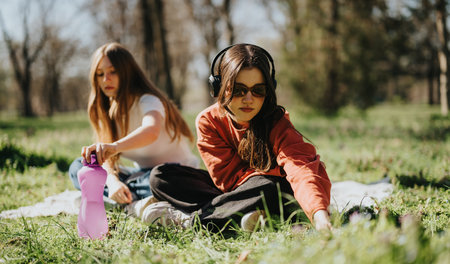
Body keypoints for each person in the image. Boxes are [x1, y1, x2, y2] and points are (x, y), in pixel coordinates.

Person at [149, 43, 332, 231]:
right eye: (238, 90)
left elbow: (301, 168)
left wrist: (320, 216)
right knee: (161, 177)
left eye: (258, 90)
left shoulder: (277, 122)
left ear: (269, 91)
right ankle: (247, 213)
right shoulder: (208, 121)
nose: (248, 99)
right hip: (233, 191)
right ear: (220, 87)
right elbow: (227, 181)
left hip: (272, 192)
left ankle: (194, 221)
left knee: (268, 187)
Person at [68, 42, 199, 210]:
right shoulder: (106, 111)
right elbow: (105, 160)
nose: (106, 79)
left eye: (113, 72)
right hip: (140, 176)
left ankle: (116, 198)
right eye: (100, 74)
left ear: (127, 72)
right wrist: (113, 183)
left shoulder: (148, 100)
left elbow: (151, 130)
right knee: (79, 167)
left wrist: (114, 147)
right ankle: (124, 196)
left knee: (157, 181)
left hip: (173, 175)